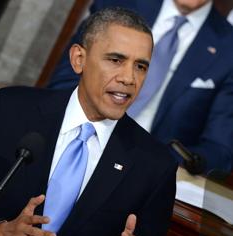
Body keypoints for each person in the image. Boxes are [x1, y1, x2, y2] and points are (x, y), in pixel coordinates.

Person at [0, 7, 178, 236]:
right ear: (78, 59)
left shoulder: (156, 166)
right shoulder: (7, 109)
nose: (129, 78)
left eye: (140, 66)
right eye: (116, 60)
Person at [48, 0, 233, 175]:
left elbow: (219, 148)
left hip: (148, 171)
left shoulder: (228, 47)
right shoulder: (118, 4)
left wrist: (155, 164)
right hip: (77, 139)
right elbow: (64, 84)